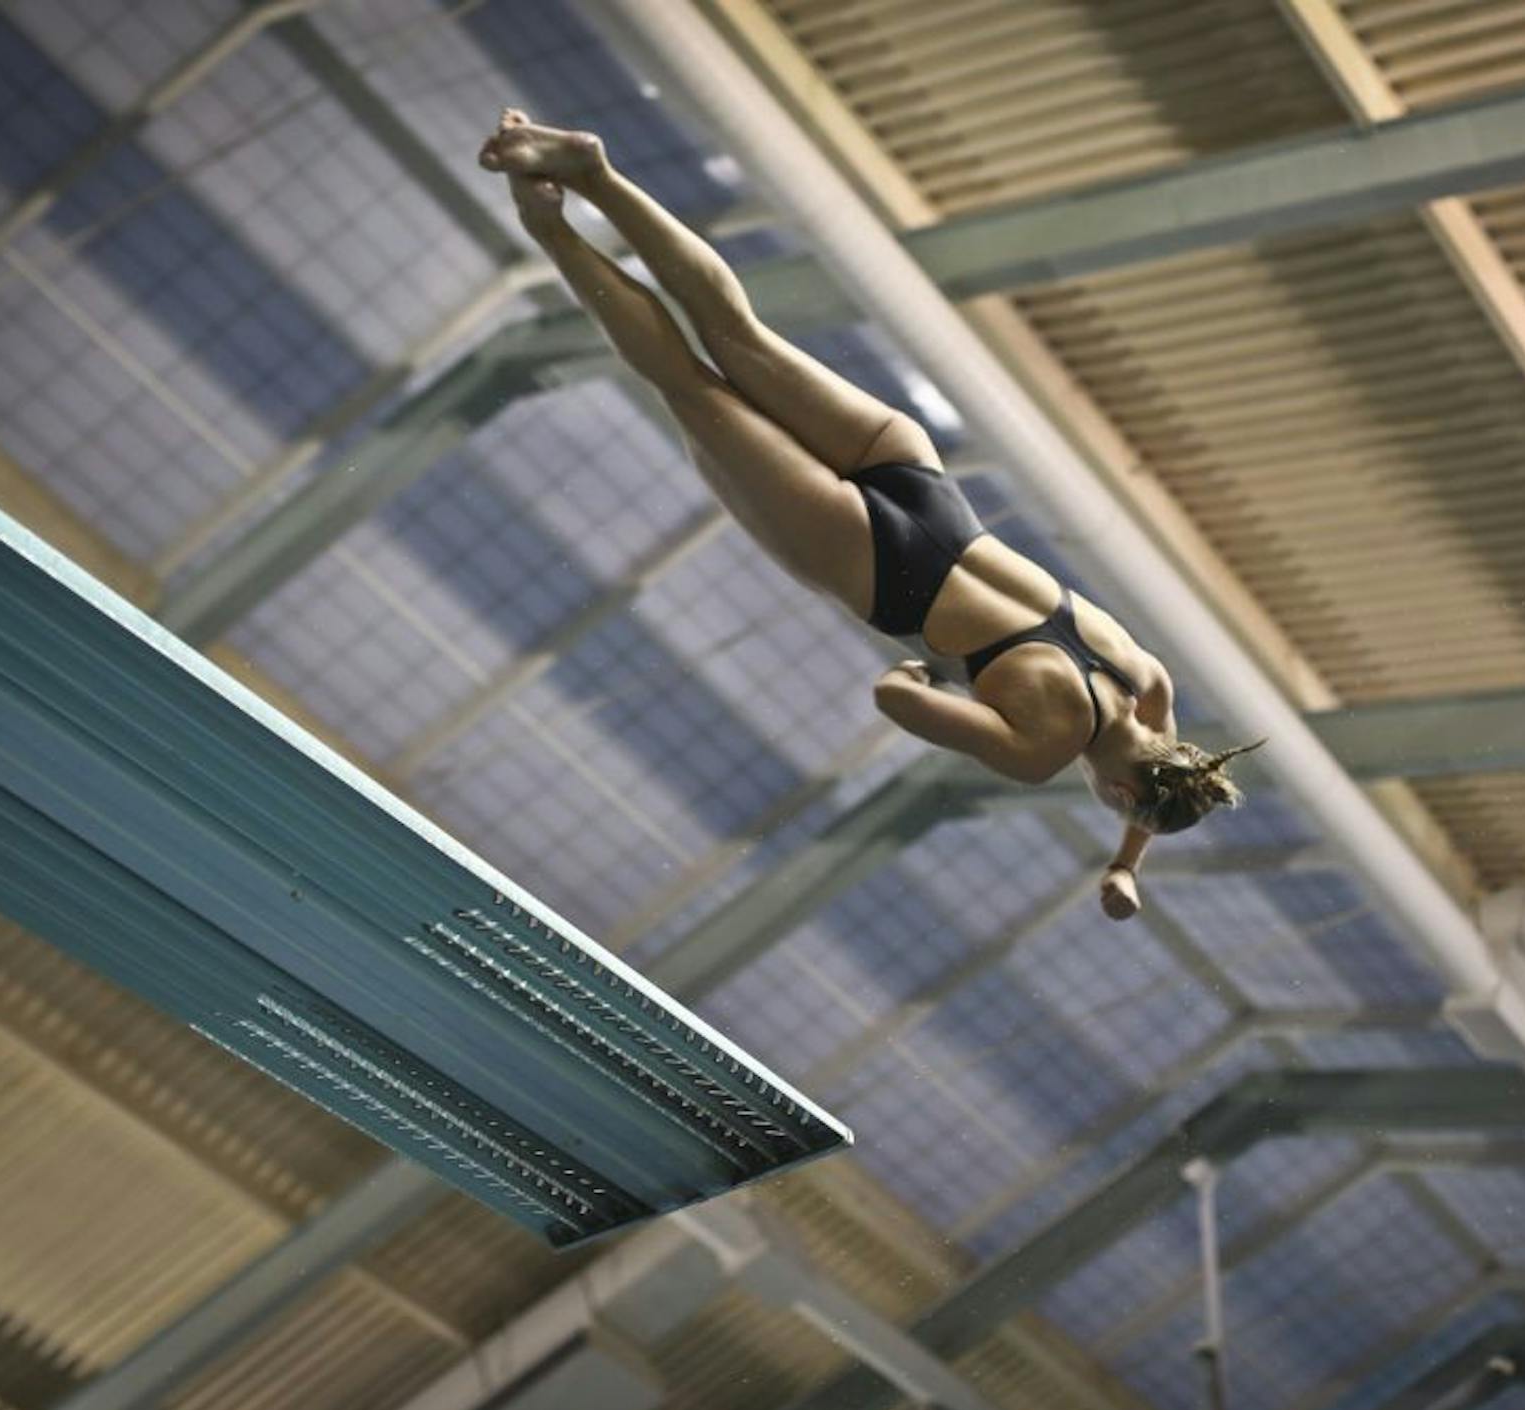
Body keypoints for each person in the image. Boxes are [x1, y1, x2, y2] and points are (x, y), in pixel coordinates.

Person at [478, 110, 1260, 920]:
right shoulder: (1042, 749)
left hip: (925, 487)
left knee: (735, 333)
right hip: (874, 562)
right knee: (689, 384)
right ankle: (549, 225)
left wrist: (1126, 865)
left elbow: (1150, 782)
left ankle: (591, 171)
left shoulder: (1148, 679)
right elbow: (893, 698)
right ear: (1123, 788)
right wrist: (926, 672)